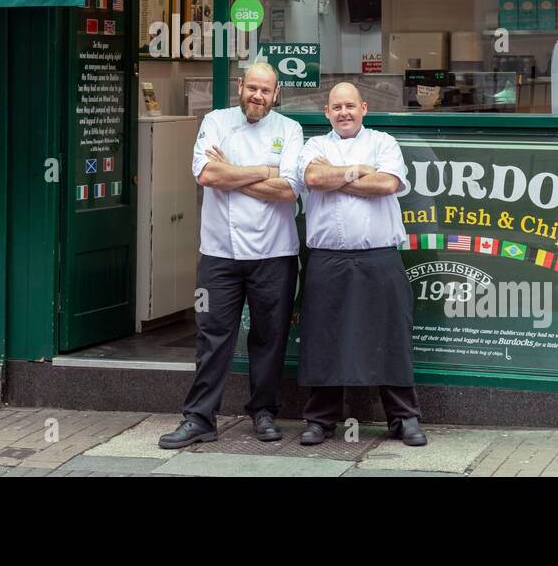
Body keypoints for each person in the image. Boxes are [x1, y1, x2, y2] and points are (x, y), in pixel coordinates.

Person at [158, 62, 304, 449]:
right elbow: (207, 176)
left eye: (265, 90)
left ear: (276, 94)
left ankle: (264, 412)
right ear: (240, 86)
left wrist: (232, 173)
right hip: (220, 252)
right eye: (251, 87)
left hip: (275, 251)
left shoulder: (290, 129)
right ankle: (199, 418)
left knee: (269, 336)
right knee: (212, 336)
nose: (257, 95)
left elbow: (289, 189)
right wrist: (261, 171)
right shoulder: (216, 121)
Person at [296, 82, 427, 447]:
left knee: (391, 336)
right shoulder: (315, 146)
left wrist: (336, 178)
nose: (344, 113)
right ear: (327, 112)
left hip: (379, 257)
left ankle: (404, 418)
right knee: (324, 339)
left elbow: (387, 184)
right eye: (336, 107)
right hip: (328, 260)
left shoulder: (383, 142)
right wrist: (358, 171)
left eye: (350, 106)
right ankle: (320, 420)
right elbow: (312, 178)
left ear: (364, 107)